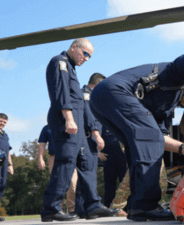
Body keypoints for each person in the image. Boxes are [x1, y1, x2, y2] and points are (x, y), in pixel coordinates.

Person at [90, 53, 184, 221]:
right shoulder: (178, 77)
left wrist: (182, 148)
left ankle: (137, 207)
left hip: (101, 101)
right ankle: (146, 205)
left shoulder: (167, 109)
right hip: (114, 91)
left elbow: (160, 137)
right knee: (148, 141)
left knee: (138, 146)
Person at [41, 38, 119, 222]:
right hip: (65, 121)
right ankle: (50, 208)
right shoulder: (59, 62)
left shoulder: (71, 67)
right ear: (74, 47)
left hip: (77, 124)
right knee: (66, 162)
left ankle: (91, 207)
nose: (86, 58)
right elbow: (61, 93)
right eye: (85, 53)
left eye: (89, 56)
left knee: (86, 164)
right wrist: (69, 118)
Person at [73, 73, 108, 219]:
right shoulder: (86, 95)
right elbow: (89, 117)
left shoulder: (85, 94)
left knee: (84, 175)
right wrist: (97, 135)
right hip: (87, 139)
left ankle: (83, 209)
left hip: (87, 140)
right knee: (88, 173)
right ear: (98, 83)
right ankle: (90, 207)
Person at [38, 124, 78, 213]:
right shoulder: (47, 128)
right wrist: (40, 159)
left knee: (72, 183)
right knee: (57, 183)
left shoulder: (70, 125)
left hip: (70, 157)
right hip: (54, 158)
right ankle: (58, 209)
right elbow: (42, 144)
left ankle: (72, 208)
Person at [101, 126, 127, 215]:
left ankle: (126, 208)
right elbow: (94, 138)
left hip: (124, 158)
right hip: (108, 158)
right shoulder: (102, 124)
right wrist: (98, 152)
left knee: (125, 183)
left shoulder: (122, 122)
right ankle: (108, 208)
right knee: (109, 183)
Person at [0, 113, 13, 222]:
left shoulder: (5, 134)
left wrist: (10, 164)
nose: (2, 123)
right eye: (0, 121)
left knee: (2, 185)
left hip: (3, 164)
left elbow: (8, 151)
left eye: (4, 122)